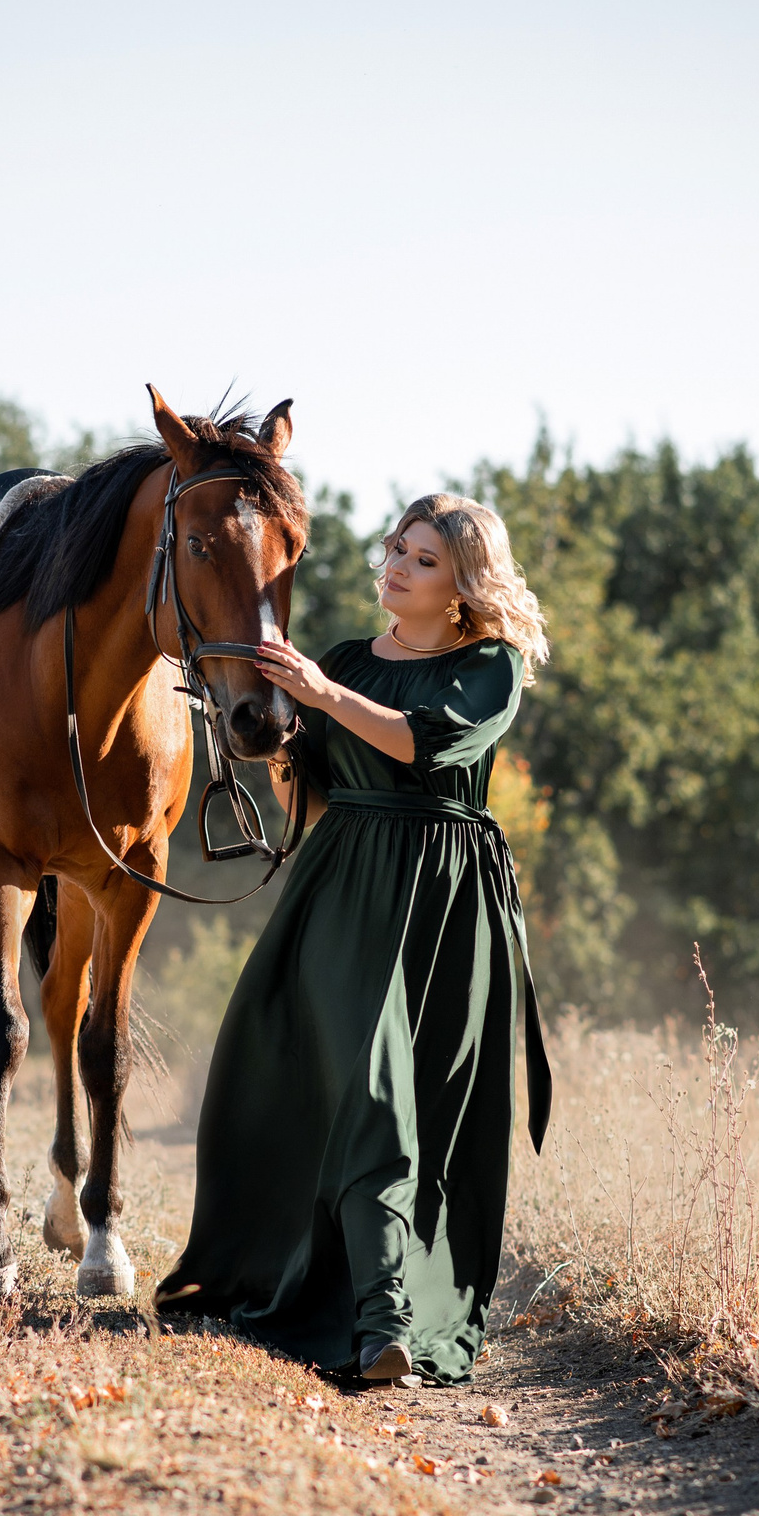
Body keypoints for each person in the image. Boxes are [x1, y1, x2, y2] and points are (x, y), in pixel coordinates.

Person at [152, 493, 553, 1385]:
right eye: (396, 548)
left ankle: (394, 1306)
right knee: (362, 1086)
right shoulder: (339, 659)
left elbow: (424, 747)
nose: (396, 565)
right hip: (343, 885)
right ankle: (380, 1323)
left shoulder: (491, 667)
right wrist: (274, 739)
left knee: (424, 1106)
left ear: (461, 587)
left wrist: (322, 694)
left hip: (446, 897)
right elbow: (317, 789)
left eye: (422, 559)